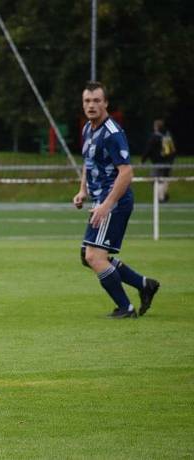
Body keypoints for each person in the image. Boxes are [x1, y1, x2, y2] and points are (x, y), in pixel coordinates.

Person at [73, 81, 160, 319]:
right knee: (88, 256)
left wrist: (106, 205)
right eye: (87, 101)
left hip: (114, 202)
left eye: (96, 101)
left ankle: (126, 308)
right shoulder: (88, 129)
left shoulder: (113, 133)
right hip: (101, 200)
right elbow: (88, 163)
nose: (91, 105)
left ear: (106, 103)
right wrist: (83, 190)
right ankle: (144, 284)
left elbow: (127, 172)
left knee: (94, 257)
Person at [141, 119, 176, 202]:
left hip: (158, 163)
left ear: (156, 127)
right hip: (168, 163)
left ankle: (160, 197)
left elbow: (148, 150)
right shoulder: (167, 137)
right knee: (164, 179)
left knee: (155, 180)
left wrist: (143, 160)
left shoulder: (154, 138)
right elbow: (172, 151)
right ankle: (163, 194)